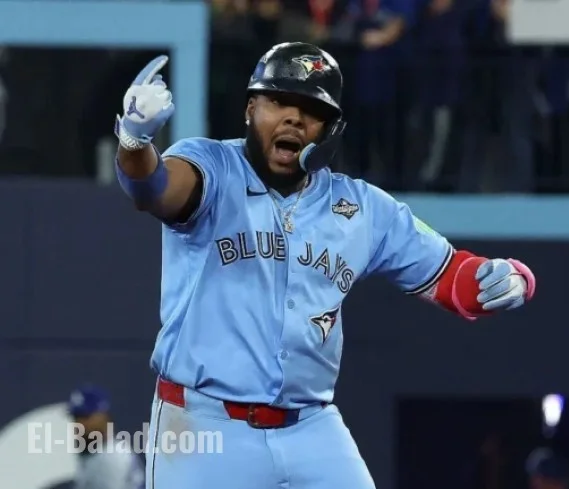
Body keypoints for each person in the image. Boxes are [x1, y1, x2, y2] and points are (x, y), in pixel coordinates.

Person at [112, 42, 537, 489]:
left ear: (330, 129)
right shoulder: (212, 166)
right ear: (250, 109)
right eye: (279, 101)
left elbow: (452, 277)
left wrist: (509, 278)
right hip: (204, 423)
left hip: (310, 426)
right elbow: (154, 188)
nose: (294, 117)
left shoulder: (361, 208)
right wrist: (135, 141)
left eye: (311, 109)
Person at [67, 385, 145, 489]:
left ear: (104, 416)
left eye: (86, 417)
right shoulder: (94, 451)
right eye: (76, 417)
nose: (79, 423)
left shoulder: (113, 455)